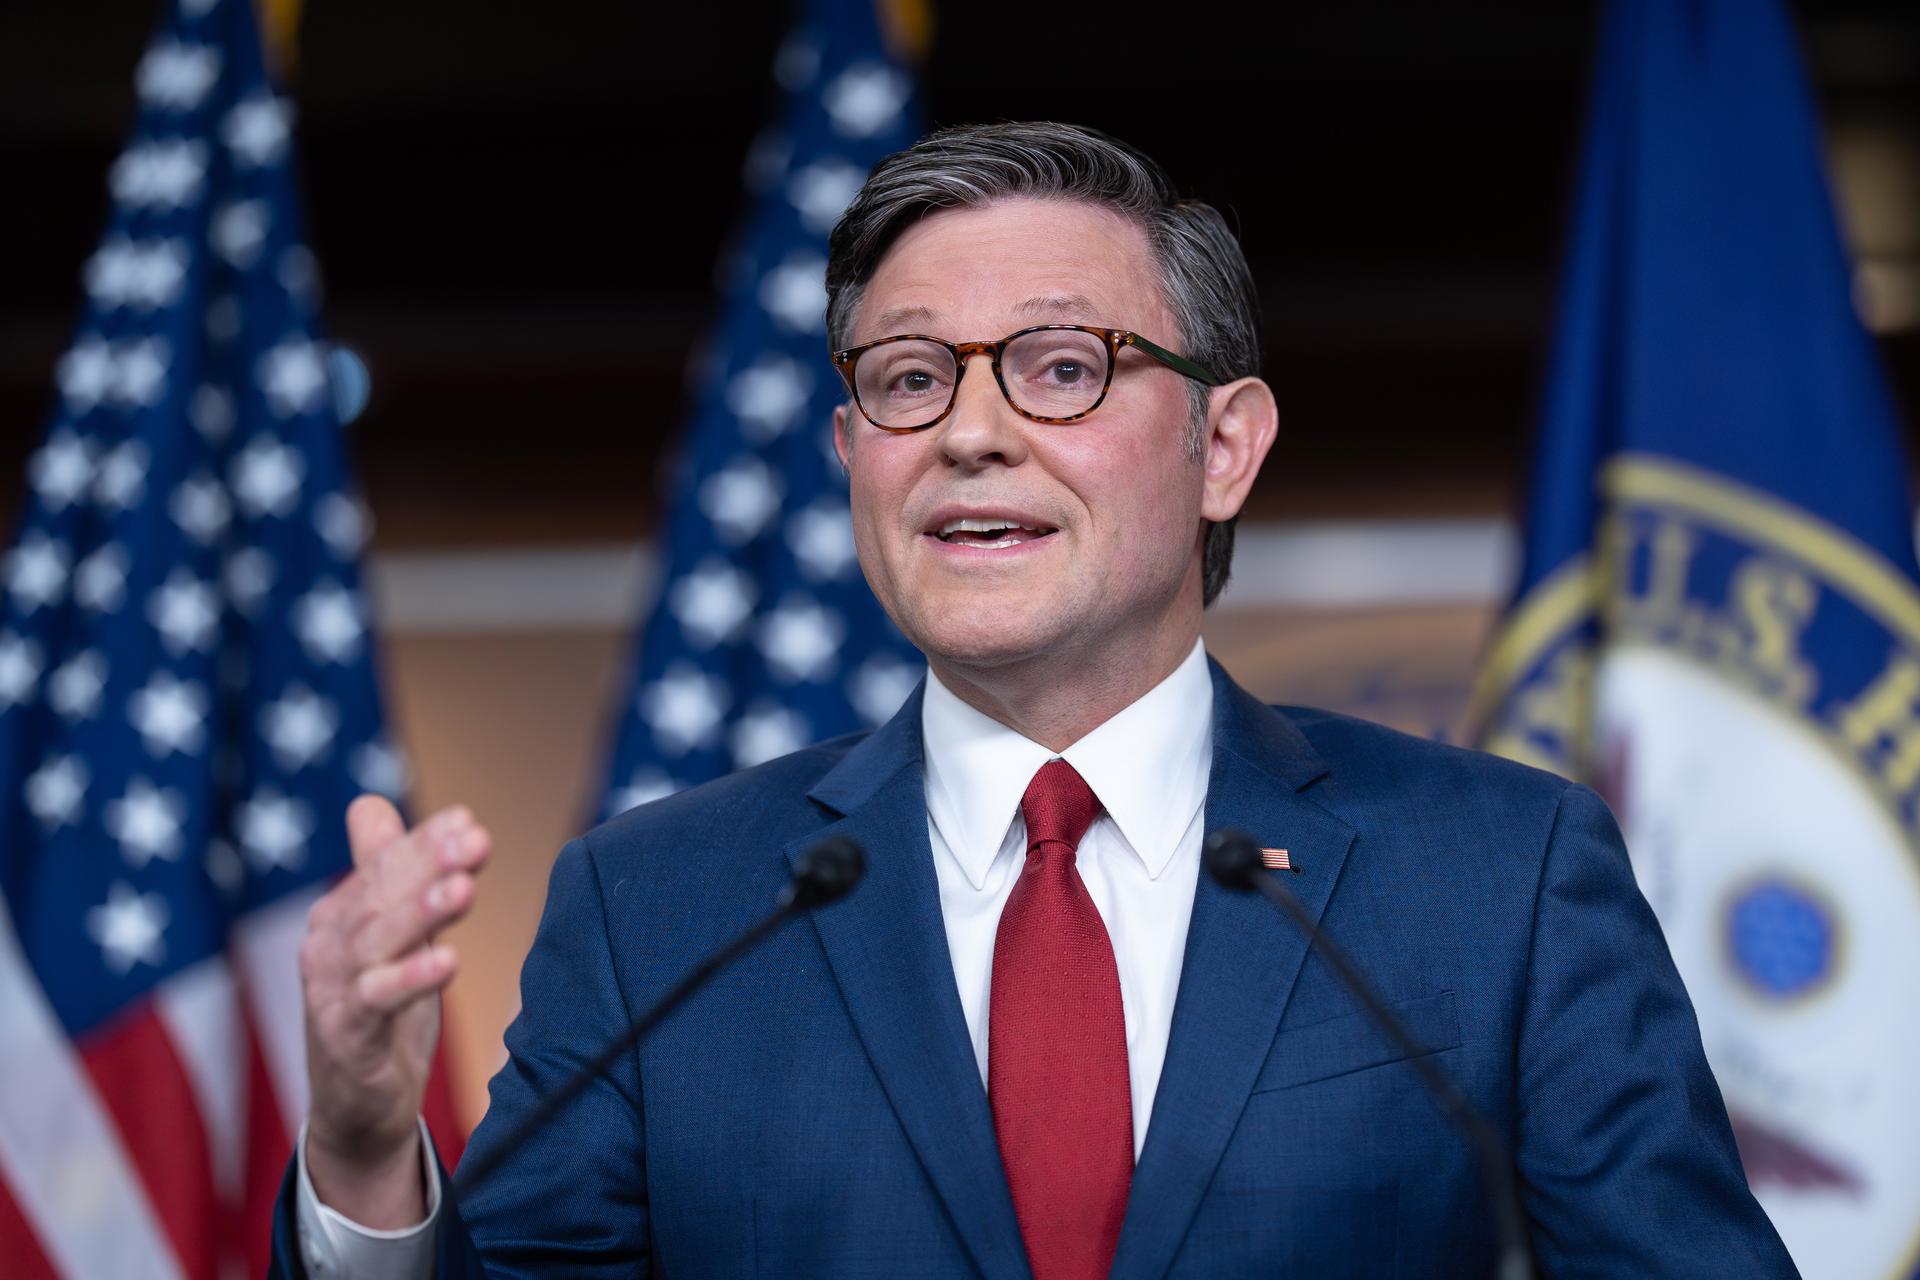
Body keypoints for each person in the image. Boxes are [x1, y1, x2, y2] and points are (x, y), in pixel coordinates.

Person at [276, 122, 1797, 1278]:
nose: (971, 433)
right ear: (848, 451)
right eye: (909, 377)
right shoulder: (661, 907)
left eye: (1062, 367)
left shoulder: (1498, 880)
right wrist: (358, 1154)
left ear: (1225, 445)